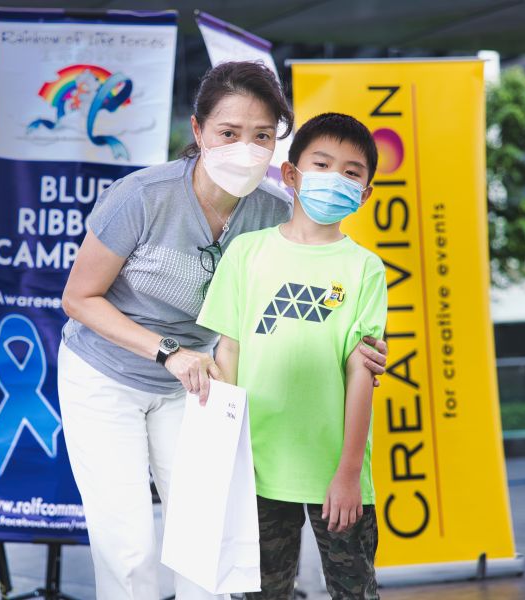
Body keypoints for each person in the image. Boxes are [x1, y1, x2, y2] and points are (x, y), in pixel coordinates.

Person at [59, 62, 388, 600]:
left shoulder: (273, 211)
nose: (246, 148)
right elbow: (78, 298)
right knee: (130, 550)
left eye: (262, 136)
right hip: (109, 374)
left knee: (205, 538)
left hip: (197, 384)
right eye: (229, 133)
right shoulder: (142, 196)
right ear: (199, 130)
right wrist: (168, 351)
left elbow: (307, 282)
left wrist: (360, 348)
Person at [197, 112, 387, 600]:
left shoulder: (365, 268)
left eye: (351, 172)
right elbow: (228, 352)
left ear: (365, 193)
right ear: (291, 174)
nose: (335, 178)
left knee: (355, 591)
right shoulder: (246, 253)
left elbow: (362, 373)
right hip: (257, 469)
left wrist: (349, 473)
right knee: (262, 593)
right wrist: (227, 458)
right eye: (321, 164)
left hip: (335, 472)